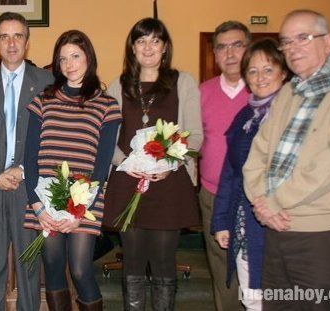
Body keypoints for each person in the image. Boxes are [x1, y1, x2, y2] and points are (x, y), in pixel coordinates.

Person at [243, 9, 330, 310]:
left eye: (303, 38)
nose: (292, 48)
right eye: (286, 42)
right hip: (276, 230)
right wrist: (261, 201)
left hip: (323, 236)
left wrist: (272, 202)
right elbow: (258, 154)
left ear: (328, 41)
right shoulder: (288, 93)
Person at [102, 18, 202, 310]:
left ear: (165, 47)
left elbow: (195, 134)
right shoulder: (118, 85)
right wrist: (124, 163)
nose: (148, 47)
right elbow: (107, 136)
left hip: (168, 185)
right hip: (128, 183)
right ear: (132, 48)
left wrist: (169, 163)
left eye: (155, 41)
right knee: (132, 261)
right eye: (141, 41)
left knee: (163, 263)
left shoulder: (182, 81)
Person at [24, 30, 121, 311]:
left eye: (75, 56)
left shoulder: (107, 105)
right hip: (44, 200)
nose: (69, 64)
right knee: (53, 268)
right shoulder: (43, 100)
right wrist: (37, 206)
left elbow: (102, 166)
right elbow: (30, 158)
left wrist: (79, 209)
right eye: (63, 58)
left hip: (85, 203)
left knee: (80, 270)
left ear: (89, 57)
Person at [0, 12, 53, 311]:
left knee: (29, 269)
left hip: (28, 190)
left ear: (27, 42)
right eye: (4, 37)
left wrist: (22, 169)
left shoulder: (46, 82)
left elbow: (50, 136)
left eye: (17, 36)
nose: (11, 43)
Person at [211, 38, 289, 311]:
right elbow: (230, 173)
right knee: (252, 297)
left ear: (283, 71)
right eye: (253, 71)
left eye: (268, 69)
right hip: (245, 222)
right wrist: (221, 221)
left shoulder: (295, 113)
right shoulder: (245, 116)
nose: (260, 77)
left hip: (285, 223)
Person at [198, 20, 251, 311]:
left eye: (237, 45)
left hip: (253, 199)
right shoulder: (202, 92)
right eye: (222, 47)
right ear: (215, 54)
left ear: (249, 48)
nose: (229, 53)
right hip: (212, 195)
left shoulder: (264, 89)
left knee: (257, 268)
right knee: (222, 271)